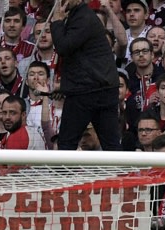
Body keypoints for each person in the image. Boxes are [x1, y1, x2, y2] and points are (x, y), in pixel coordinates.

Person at [51, 0, 122, 150]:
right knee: (111, 144)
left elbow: (64, 47)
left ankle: (64, 173)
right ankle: (120, 173)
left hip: (86, 90)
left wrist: (57, 22)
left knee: (66, 142)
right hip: (102, 87)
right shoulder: (82, 15)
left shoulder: (83, 17)